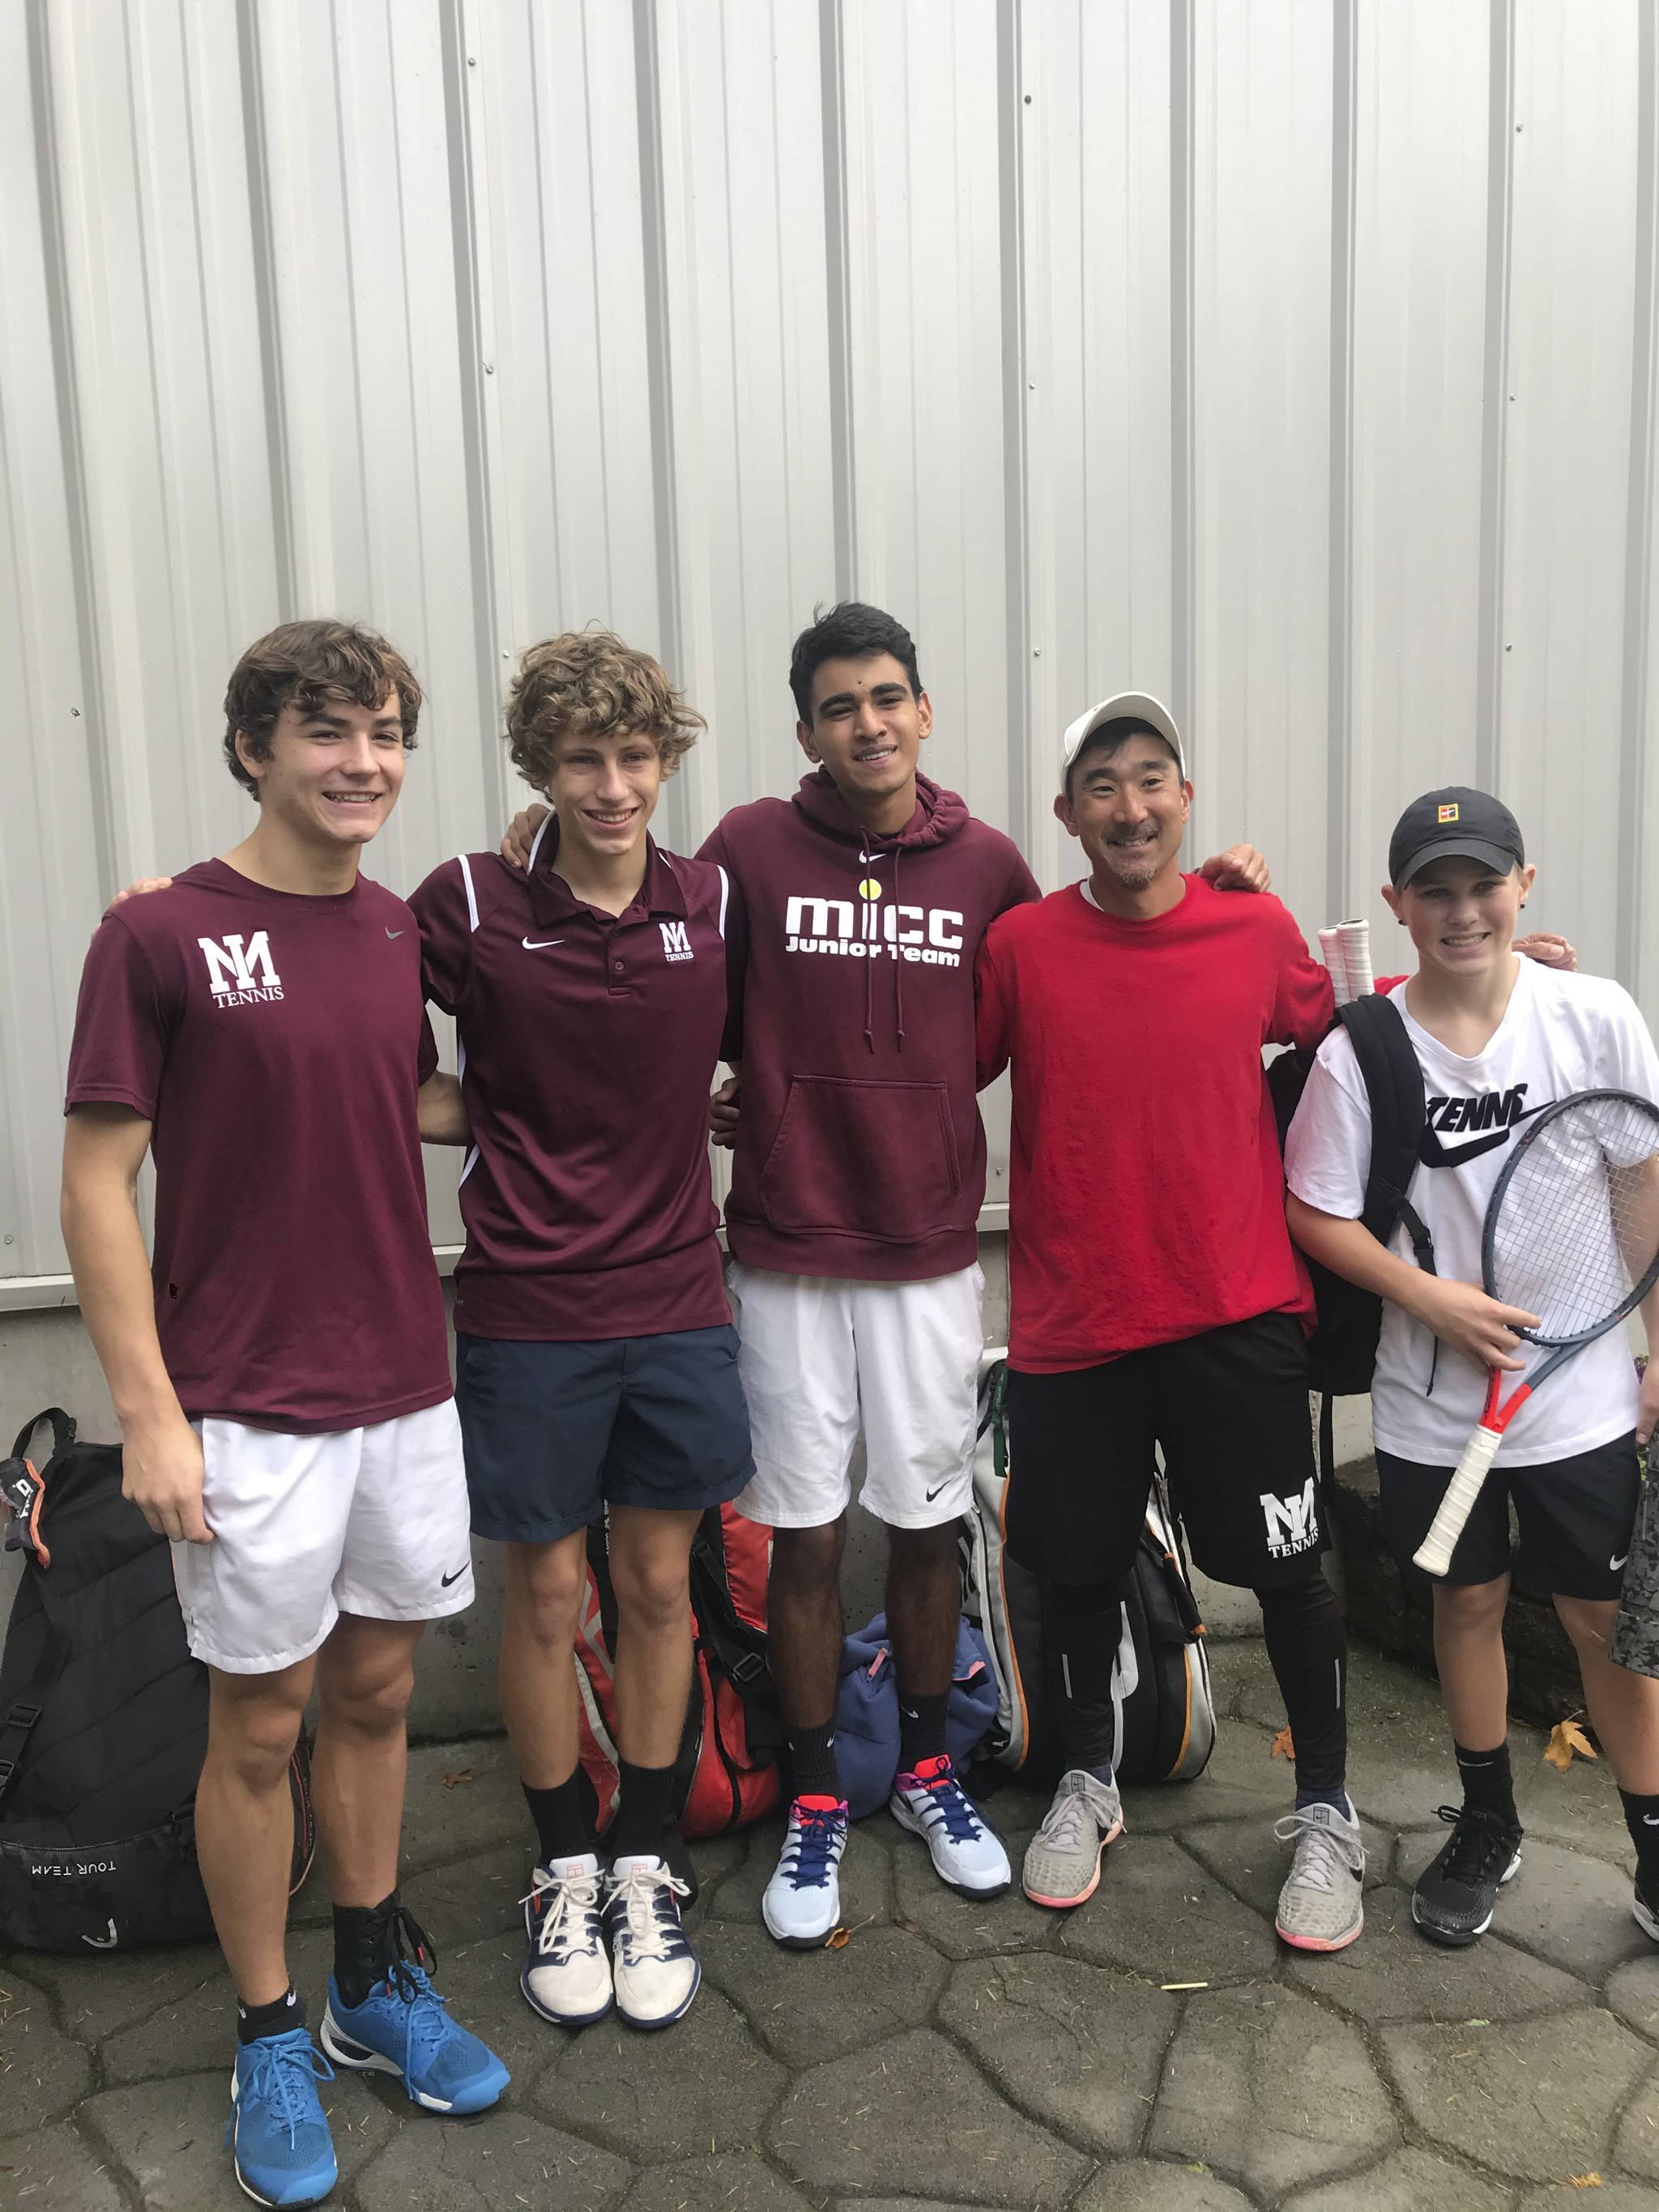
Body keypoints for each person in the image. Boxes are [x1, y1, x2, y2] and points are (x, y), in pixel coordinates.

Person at [505, 607, 1270, 1948]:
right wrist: (526, 857)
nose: (869, 722)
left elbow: (1097, 960)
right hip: (789, 1251)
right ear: (806, 730)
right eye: (840, 704)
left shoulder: (988, 864)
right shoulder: (744, 847)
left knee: (925, 1529)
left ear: (926, 713)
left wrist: (1225, 892)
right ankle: (813, 1793)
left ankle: (924, 1772)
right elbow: (640, 933)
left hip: (925, 1249)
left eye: (890, 698)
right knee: (801, 1540)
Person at [62, 620, 506, 2211]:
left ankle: (372, 1982)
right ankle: (266, 2029)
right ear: (254, 746)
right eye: (327, 731)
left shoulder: (396, 931)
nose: (364, 760)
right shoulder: (163, 934)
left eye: (386, 731)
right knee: (258, 1723)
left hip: (403, 1385)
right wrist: (148, 1411)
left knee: (378, 1694)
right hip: (242, 1405)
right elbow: (95, 1178)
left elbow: (414, 1099)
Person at [975, 693, 1367, 1951]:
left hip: (1234, 1310)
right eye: (1103, 784)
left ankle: (1325, 1809)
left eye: (1152, 780)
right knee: (1075, 1568)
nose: (1130, 805)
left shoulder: (1253, 930)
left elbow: (1362, 1043)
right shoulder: (1023, 945)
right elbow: (920, 1068)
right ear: (1067, 814)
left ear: (1184, 799)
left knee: (1293, 1572)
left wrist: (1517, 986)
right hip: (1076, 1322)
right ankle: (1087, 1782)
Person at [409, 631, 752, 2031]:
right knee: (550, 1601)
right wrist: (505, 1116)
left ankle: (649, 1860)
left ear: (666, 759)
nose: (611, 788)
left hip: (678, 1299)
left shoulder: (718, 896)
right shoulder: (470, 902)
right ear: (538, 770)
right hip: (528, 1309)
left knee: (662, 1592)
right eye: (579, 762)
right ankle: (563, 1867)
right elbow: (355, 1034)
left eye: (633, 758)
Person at [1285, 787, 1659, 1948]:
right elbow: (1317, 1211)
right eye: (1434, 891)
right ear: (1398, 906)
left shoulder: (1593, 1016)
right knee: (1469, 1600)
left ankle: (1651, 1847)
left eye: (1482, 886)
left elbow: (1641, 1182)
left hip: (1584, 1397)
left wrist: (1656, 1355)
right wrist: (1429, 1299)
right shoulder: (1363, 1052)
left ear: (1525, 887)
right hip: (1433, 1408)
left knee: (1605, 1624)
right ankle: (1489, 1822)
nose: (1462, 912)